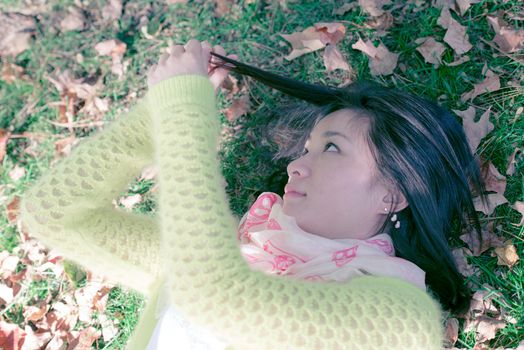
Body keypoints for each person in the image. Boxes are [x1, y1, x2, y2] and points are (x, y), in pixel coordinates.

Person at [19, 38, 485, 349]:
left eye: (331, 149)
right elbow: (56, 214)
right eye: (307, 147)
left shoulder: (400, 318)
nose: (296, 164)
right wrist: (155, 117)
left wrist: (184, 115)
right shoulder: (235, 254)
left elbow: (218, 299)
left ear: (394, 192)